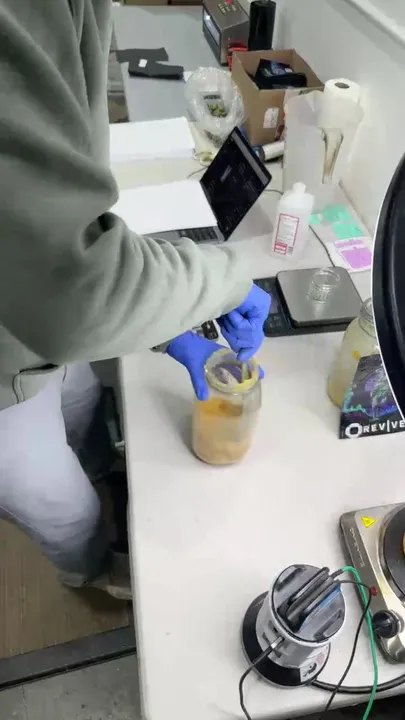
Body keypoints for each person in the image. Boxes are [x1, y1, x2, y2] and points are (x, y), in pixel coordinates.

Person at [0, 0, 270, 600]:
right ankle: (90, 572)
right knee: (63, 510)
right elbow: (71, 290)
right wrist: (226, 280)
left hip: (28, 327)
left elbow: (49, 237)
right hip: (10, 356)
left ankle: (101, 474)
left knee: (81, 400)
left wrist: (167, 328)